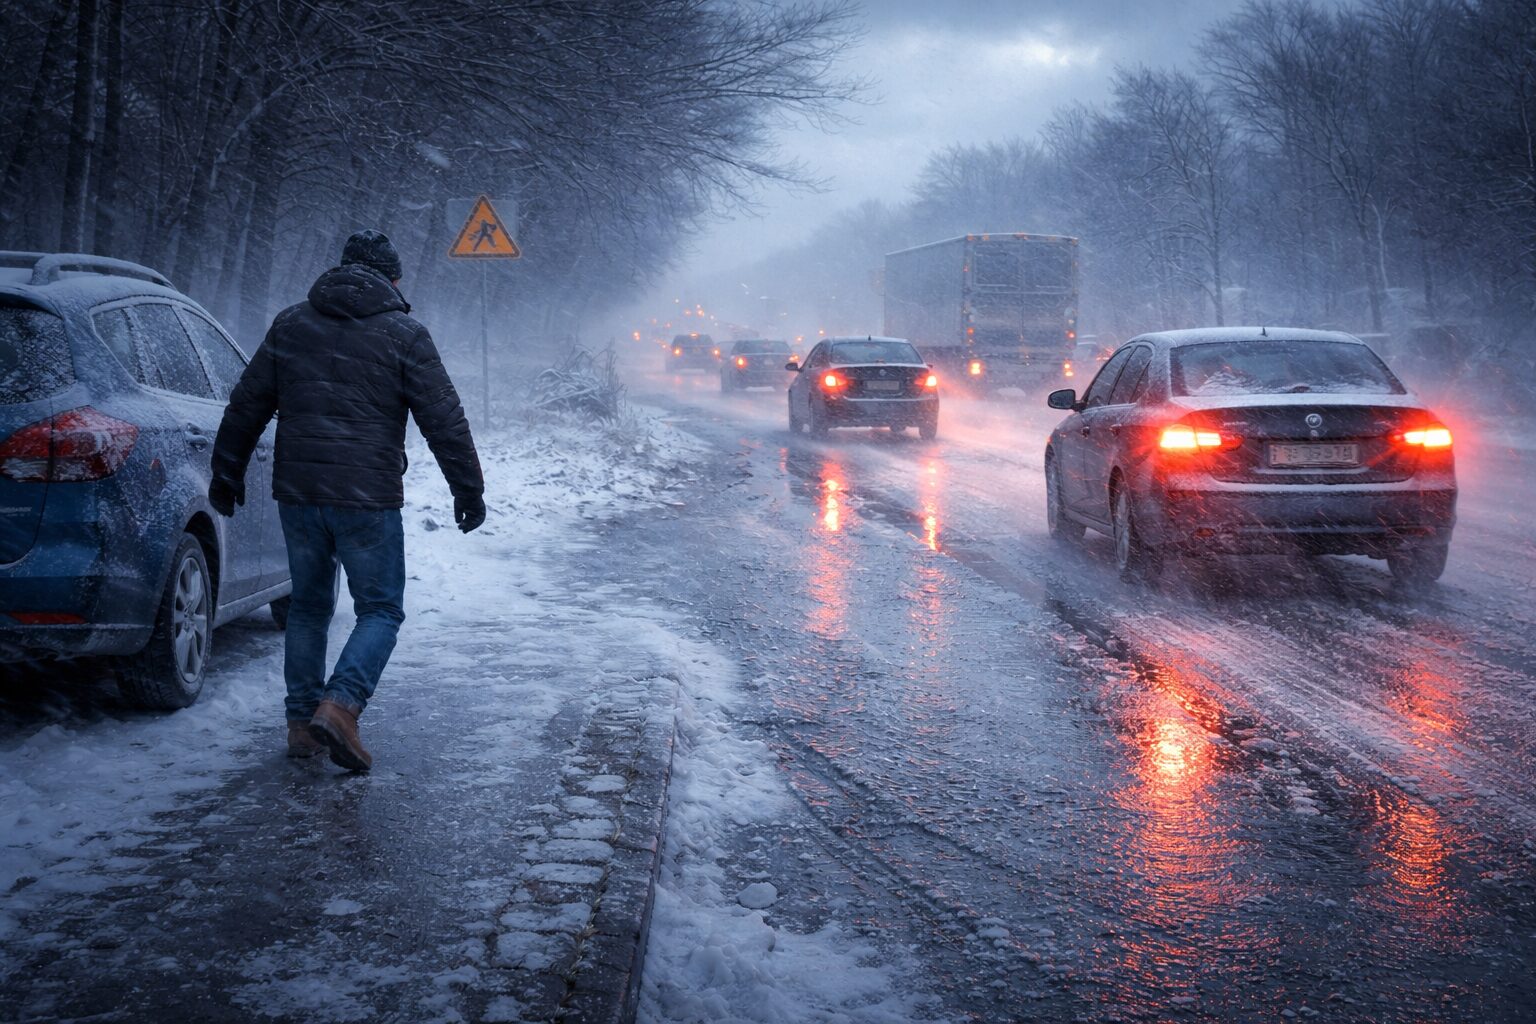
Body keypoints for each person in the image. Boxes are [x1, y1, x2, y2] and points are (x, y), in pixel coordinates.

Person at [209, 230, 485, 771]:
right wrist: (468, 489)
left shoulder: (292, 324)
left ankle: (300, 725)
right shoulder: (404, 334)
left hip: (300, 492)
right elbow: (444, 421)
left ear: (340, 270)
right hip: (367, 497)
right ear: (393, 279)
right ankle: (341, 706)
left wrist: (227, 470)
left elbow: (247, 404)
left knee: (309, 607)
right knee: (380, 608)